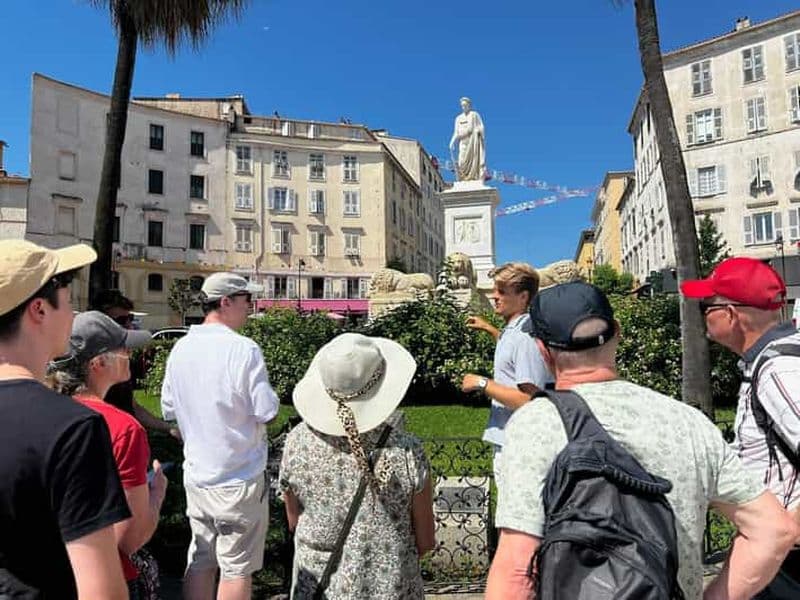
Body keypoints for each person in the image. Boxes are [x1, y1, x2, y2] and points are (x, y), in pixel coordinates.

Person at [486, 281, 799, 600]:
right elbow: (775, 530)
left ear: (542, 350)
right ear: (617, 332)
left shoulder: (537, 423)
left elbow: (515, 570)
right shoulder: (689, 423)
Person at [0, 240, 130, 599]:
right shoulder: (72, 429)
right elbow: (101, 590)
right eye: (69, 300)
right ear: (39, 309)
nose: (73, 314)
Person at [280, 332, 435, 599]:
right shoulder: (406, 450)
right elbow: (425, 539)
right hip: (388, 589)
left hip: (317, 587)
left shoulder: (297, 443)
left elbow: (294, 519)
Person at [681, 257, 800, 598]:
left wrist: (787, 527)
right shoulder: (770, 362)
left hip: (787, 561)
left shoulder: (779, 370)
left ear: (731, 314)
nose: (703, 314)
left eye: (707, 306)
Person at [161, 272, 279, 600]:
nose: (250, 308)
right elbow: (266, 410)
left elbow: (169, 408)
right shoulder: (244, 349)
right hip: (238, 475)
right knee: (236, 567)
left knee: (200, 558)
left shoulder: (181, 348)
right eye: (246, 301)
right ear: (225, 302)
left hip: (197, 474)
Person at [49, 310, 168, 599]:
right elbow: (128, 539)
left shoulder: (39, 412)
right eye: (122, 348)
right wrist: (156, 496)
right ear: (98, 363)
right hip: (104, 577)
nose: (129, 353)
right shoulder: (124, 428)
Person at [460, 262, 551, 488]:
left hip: (519, 445)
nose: (494, 296)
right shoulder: (514, 330)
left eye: (501, 291)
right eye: (494, 290)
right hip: (509, 437)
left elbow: (531, 401)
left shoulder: (524, 336)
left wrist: (481, 383)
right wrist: (490, 329)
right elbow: (511, 353)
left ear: (523, 297)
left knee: (516, 517)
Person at [91, 289, 182, 440]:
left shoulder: (121, 366)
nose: (129, 324)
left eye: (130, 318)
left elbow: (132, 407)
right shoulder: (92, 371)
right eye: (121, 320)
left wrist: (169, 429)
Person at [449, 96, 486, 181]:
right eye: (462, 105)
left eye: (465, 105)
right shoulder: (458, 118)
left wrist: (478, 130)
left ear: (469, 106)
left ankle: (473, 177)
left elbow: (481, 126)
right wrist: (452, 142)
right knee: (461, 161)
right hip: (462, 142)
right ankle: (463, 178)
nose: (464, 107)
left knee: (474, 161)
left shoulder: (475, 115)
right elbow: (456, 132)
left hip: (473, 142)